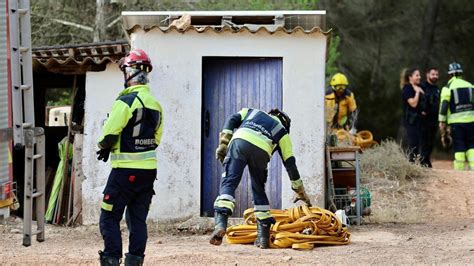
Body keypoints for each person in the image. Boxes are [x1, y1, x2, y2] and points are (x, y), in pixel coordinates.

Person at [97, 49, 164, 266]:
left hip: (124, 172)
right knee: (137, 220)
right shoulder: (156, 105)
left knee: (109, 216)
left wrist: (105, 145)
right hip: (148, 172)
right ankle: (134, 262)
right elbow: (156, 139)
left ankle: (111, 259)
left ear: (129, 73)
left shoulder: (125, 101)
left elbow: (108, 133)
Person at [209, 108, 311, 249]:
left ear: (271, 114)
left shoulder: (252, 112)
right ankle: (263, 238)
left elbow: (232, 118)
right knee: (259, 190)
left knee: (229, 182)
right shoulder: (283, 132)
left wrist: (224, 142)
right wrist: (299, 190)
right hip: (262, 152)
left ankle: (220, 223)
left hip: (240, 142)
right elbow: (290, 164)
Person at [439, 62, 474, 170]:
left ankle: (459, 172)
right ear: (460, 73)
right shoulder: (470, 85)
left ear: (450, 75)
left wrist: (442, 121)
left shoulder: (447, 87)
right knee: (472, 145)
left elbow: (444, 106)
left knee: (459, 146)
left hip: (457, 123)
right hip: (472, 121)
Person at [401, 68, 424, 163]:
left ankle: (418, 164)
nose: (419, 77)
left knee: (419, 144)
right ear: (410, 77)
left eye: (419, 75)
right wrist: (418, 93)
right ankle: (410, 165)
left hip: (420, 121)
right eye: (417, 75)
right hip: (410, 121)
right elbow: (413, 104)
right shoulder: (407, 88)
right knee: (413, 144)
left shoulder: (419, 86)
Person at [419, 67, 440, 167]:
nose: (435, 76)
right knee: (424, 141)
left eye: (436, 74)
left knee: (431, 141)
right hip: (424, 119)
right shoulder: (422, 86)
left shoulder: (437, 89)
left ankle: (427, 160)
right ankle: (422, 162)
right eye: (433, 74)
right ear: (427, 75)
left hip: (434, 119)